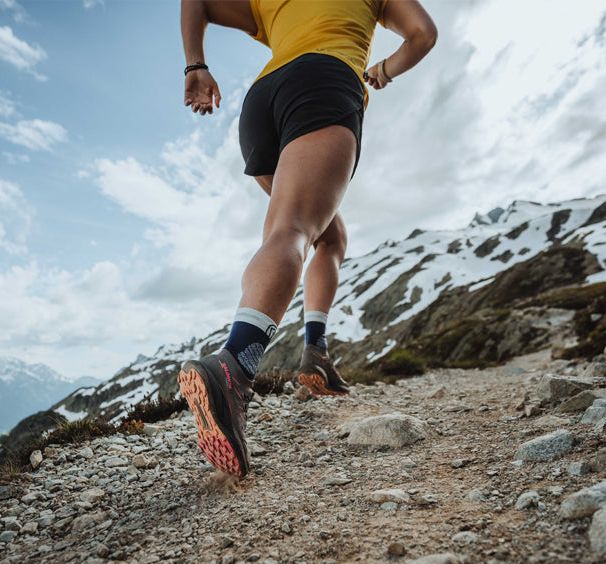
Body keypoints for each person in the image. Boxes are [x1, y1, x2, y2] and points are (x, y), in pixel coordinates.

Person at [178, 0, 437, 477]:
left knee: (328, 235)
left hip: (262, 102)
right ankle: (234, 367)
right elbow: (422, 34)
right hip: (325, 81)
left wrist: (196, 64)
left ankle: (314, 353)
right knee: (293, 229)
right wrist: (381, 70)